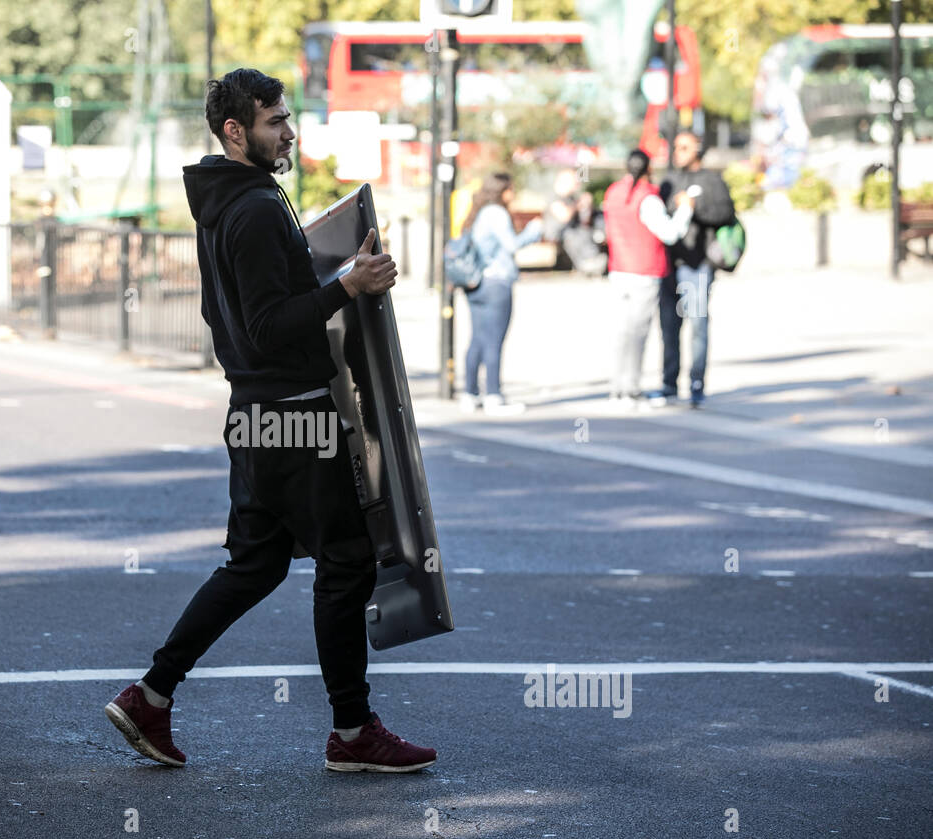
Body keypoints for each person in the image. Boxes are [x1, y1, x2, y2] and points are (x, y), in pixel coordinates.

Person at [104, 69, 436, 773]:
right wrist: (347, 286)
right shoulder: (253, 210)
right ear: (235, 131)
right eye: (273, 121)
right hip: (292, 418)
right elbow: (265, 328)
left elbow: (233, 318)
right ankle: (353, 733)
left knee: (255, 565)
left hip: (255, 415)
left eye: (286, 118)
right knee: (345, 564)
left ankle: (151, 696)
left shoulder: (232, 202)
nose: (287, 130)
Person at [650, 130, 736, 409]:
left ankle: (697, 384)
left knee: (698, 325)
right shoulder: (669, 180)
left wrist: (694, 208)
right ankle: (669, 383)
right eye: (676, 147)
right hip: (669, 265)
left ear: (697, 149)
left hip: (697, 265)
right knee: (668, 327)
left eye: (684, 148)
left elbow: (726, 214)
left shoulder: (712, 181)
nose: (678, 152)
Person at [601, 149, 693, 408]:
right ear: (649, 169)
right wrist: (685, 209)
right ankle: (630, 390)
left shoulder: (613, 192)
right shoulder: (647, 198)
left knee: (622, 331)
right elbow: (670, 233)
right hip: (643, 272)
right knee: (637, 333)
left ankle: (618, 388)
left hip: (619, 270)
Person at [457, 172, 544, 415]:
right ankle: (493, 395)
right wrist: (534, 230)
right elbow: (512, 245)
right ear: (502, 191)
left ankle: (470, 393)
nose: (513, 194)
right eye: (511, 189)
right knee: (494, 341)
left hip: (475, 283)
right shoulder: (496, 213)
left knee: (477, 339)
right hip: (497, 283)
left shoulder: (478, 213)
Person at [543, 168, 607, 276]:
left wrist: (588, 206)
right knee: (574, 234)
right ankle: (586, 263)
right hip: (559, 232)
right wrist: (578, 205)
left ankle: (594, 255)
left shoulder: (572, 197)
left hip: (574, 230)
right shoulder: (555, 197)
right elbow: (564, 216)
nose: (577, 184)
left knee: (595, 221)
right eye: (574, 182)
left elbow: (585, 220)